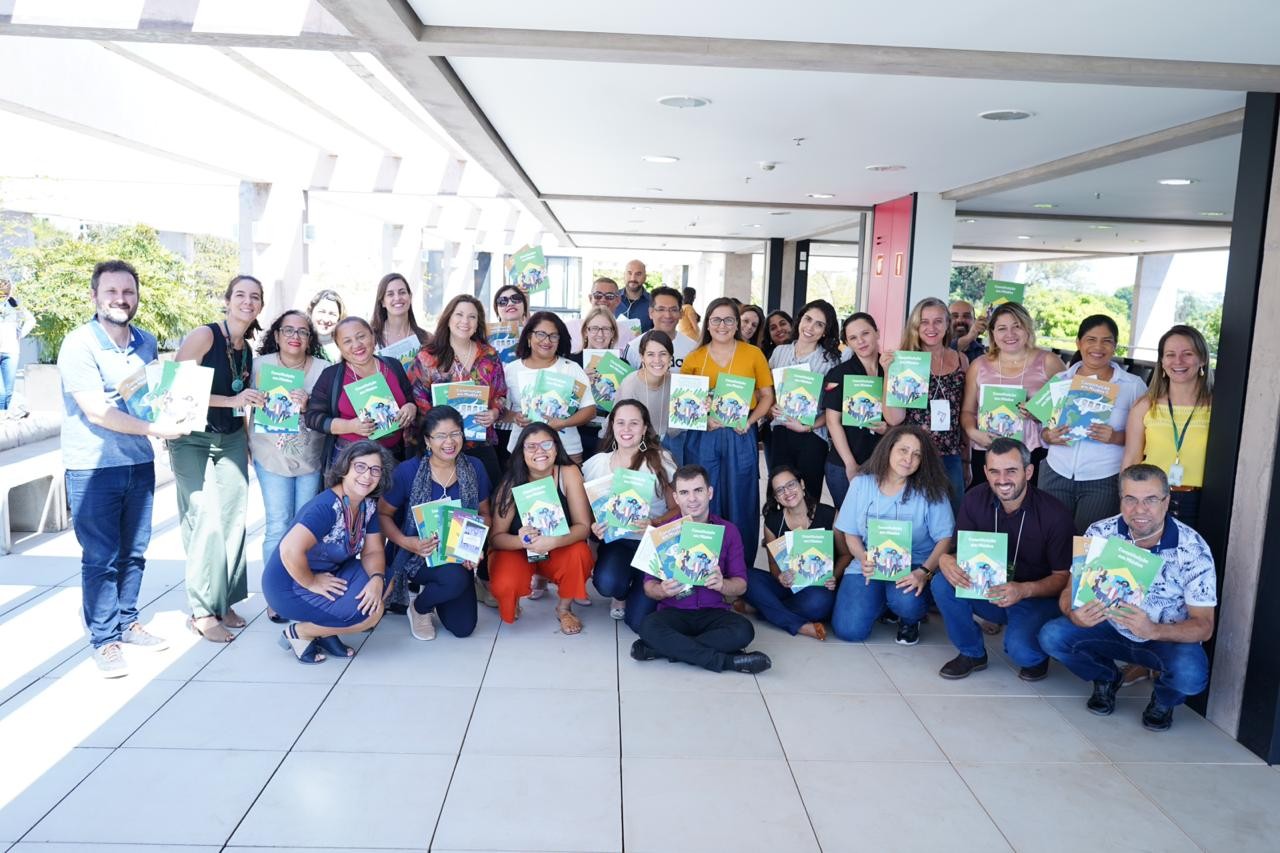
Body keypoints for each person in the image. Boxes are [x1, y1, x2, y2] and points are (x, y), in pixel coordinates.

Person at [58, 260, 188, 675]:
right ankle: (104, 639)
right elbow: (97, 412)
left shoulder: (145, 342)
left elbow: (149, 395)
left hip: (138, 462)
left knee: (134, 552)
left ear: (137, 296)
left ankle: (127, 621)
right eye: (111, 292)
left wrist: (177, 411)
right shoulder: (78, 344)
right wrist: (156, 427)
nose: (120, 299)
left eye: (127, 292)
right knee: (100, 555)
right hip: (92, 468)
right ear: (95, 297)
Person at [1038, 464, 1216, 731]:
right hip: (1108, 628)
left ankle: (1164, 699)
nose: (1139, 509)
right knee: (1052, 636)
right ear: (1120, 499)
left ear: (1167, 502)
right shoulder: (1099, 533)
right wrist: (1073, 613)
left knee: (1190, 675)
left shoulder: (1192, 549)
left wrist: (1153, 630)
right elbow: (1069, 591)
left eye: (1151, 500)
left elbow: (1204, 626)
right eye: (1130, 499)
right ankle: (1107, 677)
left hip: (1162, 638)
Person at [171, 274, 265, 644]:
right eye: (240, 294)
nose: (247, 301)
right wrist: (231, 402)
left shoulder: (245, 348)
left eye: (254, 296)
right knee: (205, 519)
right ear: (227, 300)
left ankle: (223, 600)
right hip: (192, 439)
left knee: (231, 522)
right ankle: (202, 611)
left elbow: (241, 398)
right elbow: (173, 386)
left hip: (230, 438)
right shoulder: (205, 335)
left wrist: (245, 440)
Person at [931, 438, 1074, 680]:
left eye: (1011, 471)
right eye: (994, 471)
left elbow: (1063, 577)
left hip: (1035, 598)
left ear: (1028, 471)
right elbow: (960, 552)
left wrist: (1024, 590)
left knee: (1023, 653)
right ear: (985, 472)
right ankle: (972, 652)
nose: (1002, 480)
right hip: (989, 590)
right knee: (941, 583)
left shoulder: (1055, 514)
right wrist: (946, 559)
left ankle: (1034, 651)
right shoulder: (975, 498)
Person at [631, 465, 772, 674]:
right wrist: (662, 590)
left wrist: (723, 584)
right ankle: (728, 662)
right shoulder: (662, 534)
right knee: (648, 627)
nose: (692, 499)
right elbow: (648, 587)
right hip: (674, 611)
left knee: (744, 631)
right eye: (684, 493)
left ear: (710, 492)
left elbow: (741, 585)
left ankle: (666, 650)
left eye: (698, 490)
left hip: (713, 612)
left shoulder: (729, 531)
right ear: (676, 498)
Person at [263, 440, 391, 664]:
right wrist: (312, 582)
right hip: (289, 584)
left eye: (375, 470)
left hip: (329, 572)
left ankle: (323, 632)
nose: (367, 476)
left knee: (384, 582)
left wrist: (377, 579)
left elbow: (373, 552)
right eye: (360, 467)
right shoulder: (326, 507)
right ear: (345, 469)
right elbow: (289, 550)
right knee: (369, 615)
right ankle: (301, 633)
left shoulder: (367, 504)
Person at [832, 425, 955, 645]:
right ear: (888, 449)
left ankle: (909, 617)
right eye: (903, 450)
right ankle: (883, 604)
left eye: (917, 455)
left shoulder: (931, 490)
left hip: (915, 564)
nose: (909, 459)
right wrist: (863, 558)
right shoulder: (861, 484)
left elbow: (945, 539)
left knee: (906, 603)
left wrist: (923, 572)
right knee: (848, 630)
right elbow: (850, 533)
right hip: (869, 562)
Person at [378, 406, 490, 641]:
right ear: (427, 440)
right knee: (455, 579)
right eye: (440, 436)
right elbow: (383, 515)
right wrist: (407, 542)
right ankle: (419, 608)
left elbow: (485, 514)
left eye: (455, 434)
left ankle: (433, 595)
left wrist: (475, 546)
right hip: (416, 556)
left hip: (456, 556)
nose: (449, 442)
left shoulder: (475, 468)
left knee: (463, 628)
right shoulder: (407, 471)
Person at [681, 297, 775, 562]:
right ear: (707, 324)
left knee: (741, 500)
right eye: (716, 320)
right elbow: (684, 402)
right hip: (703, 436)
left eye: (729, 319)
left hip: (740, 434)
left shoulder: (753, 354)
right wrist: (702, 419)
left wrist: (750, 420)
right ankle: (700, 566)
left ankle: (739, 570)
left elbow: (767, 396)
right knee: (701, 500)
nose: (722, 325)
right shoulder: (694, 357)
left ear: (737, 324)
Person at [249, 310, 327, 624]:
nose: (295, 336)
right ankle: (276, 594)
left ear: (310, 339)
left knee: (305, 527)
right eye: (288, 330)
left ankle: (301, 585)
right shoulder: (258, 366)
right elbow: (244, 406)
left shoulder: (324, 369)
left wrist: (310, 404)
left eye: (303, 332)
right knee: (278, 524)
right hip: (270, 455)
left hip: (310, 455)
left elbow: (332, 409)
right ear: (277, 335)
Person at [1038, 314, 1148, 534]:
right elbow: (1043, 430)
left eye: (1107, 341)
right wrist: (1048, 436)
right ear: (1079, 343)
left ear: (1115, 347)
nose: (1098, 347)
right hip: (1056, 473)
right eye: (1091, 339)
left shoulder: (1132, 385)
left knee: (1089, 548)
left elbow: (1146, 438)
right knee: (1051, 541)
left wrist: (1116, 437)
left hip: (1103, 480)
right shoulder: (1060, 380)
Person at [487, 424, 594, 633]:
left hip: (557, 548)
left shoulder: (569, 472)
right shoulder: (511, 482)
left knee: (580, 553)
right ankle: (515, 599)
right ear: (521, 451)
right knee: (505, 583)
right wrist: (521, 541)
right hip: (519, 550)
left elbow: (584, 527)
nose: (540, 451)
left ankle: (564, 609)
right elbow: (496, 538)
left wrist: (554, 541)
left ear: (556, 447)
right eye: (531, 446)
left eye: (546, 444)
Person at [583, 399, 678, 630]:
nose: (626, 429)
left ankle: (642, 584)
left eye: (634, 423)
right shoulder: (597, 464)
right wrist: (593, 527)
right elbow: (588, 511)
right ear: (612, 426)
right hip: (617, 541)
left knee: (638, 622)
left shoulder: (660, 461)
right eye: (621, 423)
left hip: (652, 543)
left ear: (645, 428)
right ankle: (622, 591)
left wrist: (653, 523)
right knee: (607, 584)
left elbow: (677, 509)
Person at [408, 295, 508, 488]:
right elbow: (419, 402)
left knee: (489, 500)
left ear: (478, 322)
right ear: (448, 318)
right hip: (441, 448)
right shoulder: (427, 356)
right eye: (459, 314)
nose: (465, 321)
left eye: (472, 317)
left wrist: (494, 412)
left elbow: (500, 395)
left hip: (479, 444)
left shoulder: (489, 355)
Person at [960, 302, 1066, 485]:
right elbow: (967, 411)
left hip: (1033, 452)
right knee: (986, 507)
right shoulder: (978, 365)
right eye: (1002, 328)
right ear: (992, 333)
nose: (1010, 334)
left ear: (1027, 329)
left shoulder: (1049, 362)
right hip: (987, 450)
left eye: (1017, 326)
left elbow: (1067, 413)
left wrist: (1039, 414)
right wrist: (973, 432)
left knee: (1030, 507)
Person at [882, 297, 971, 508]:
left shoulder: (961, 360)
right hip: (913, 456)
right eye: (924, 322)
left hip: (950, 455)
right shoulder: (904, 361)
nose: (931, 327)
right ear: (915, 326)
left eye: (938, 321)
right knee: (913, 519)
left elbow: (964, 413)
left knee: (951, 520)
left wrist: (966, 460)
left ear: (947, 323)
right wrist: (889, 373)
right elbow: (894, 418)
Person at [744, 465, 850, 641]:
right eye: (780, 490)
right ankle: (797, 624)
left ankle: (760, 608)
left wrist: (834, 576)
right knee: (746, 575)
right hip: (788, 586)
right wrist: (780, 576)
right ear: (776, 498)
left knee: (820, 604)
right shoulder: (773, 522)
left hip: (817, 588)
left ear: (802, 485)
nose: (787, 492)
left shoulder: (830, 514)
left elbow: (846, 555)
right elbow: (773, 565)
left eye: (791, 485)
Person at [1122, 325, 1212, 530]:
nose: (1178, 361)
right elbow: (1131, 459)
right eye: (1170, 354)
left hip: (1205, 504)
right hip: (1150, 502)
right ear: (1162, 362)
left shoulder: (1218, 408)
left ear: (1203, 359)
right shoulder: (1145, 405)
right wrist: (1128, 503)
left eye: (1187, 354)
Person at [304, 316, 417, 466]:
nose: (356, 345)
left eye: (361, 336)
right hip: (351, 458)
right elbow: (313, 417)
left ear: (372, 335)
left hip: (394, 455)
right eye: (347, 341)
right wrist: (350, 426)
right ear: (339, 347)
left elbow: (410, 399)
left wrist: (411, 407)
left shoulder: (393, 366)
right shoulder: (331, 376)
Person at [501, 311, 597, 464]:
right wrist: (514, 417)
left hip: (566, 450)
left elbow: (590, 411)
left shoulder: (571, 368)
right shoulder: (511, 370)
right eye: (541, 334)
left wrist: (564, 423)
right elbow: (500, 411)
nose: (547, 341)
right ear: (528, 337)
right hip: (523, 451)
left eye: (553, 336)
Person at [768, 299, 841, 498]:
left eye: (819, 324)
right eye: (808, 319)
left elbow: (835, 409)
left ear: (825, 331)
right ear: (799, 320)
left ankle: (808, 531)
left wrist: (808, 427)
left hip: (812, 437)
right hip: (781, 432)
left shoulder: (831, 361)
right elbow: (766, 392)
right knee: (779, 493)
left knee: (808, 496)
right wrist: (770, 407)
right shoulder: (779, 352)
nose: (810, 327)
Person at [822, 312, 887, 507]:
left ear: (877, 332)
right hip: (844, 465)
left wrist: (889, 430)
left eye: (865, 333)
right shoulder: (839, 373)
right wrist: (850, 464)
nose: (860, 341)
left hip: (885, 464)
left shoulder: (891, 369)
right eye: (853, 338)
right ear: (848, 343)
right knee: (847, 526)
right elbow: (832, 421)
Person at [618, 330, 685, 460]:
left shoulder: (679, 384)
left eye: (663, 354)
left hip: (671, 445)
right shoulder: (630, 384)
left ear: (671, 357)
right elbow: (625, 430)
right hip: (636, 445)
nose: (657, 360)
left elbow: (680, 428)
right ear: (642, 357)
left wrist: (702, 410)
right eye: (650, 354)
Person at [570, 306, 620, 460]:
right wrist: (580, 381)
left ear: (613, 333)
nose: (600, 334)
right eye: (594, 328)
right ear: (585, 331)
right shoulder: (571, 363)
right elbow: (563, 405)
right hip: (576, 434)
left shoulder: (621, 364)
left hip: (609, 437)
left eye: (606, 329)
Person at [490, 283, 528, 469]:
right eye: (502, 301)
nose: (509, 303)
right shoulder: (484, 340)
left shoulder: (536, 337)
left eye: (516, 299)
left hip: (526, 423)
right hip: (496, 425)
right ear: (497, 310)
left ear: (524, 305)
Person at [619, 286, 698, 370]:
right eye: (661, 309)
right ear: (651, 312)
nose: (668, 315)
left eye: (673, 310)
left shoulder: (693, 348)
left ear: (681, 313)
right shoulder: (634, 347)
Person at [0, 277, 35, 415]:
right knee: (1, 392)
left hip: (11, 351)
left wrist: (21, 334)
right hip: (9, 350)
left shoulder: (14, 304)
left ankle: (4, 423)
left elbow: (31, 320)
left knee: (8, 391)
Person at [371, 272, 431, 350]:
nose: (397, 298)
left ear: (410, 297)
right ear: (382, 302)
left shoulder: (427, 339)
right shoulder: (371, 338)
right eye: (390, 294)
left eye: (402, 292)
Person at [307, 289, 345, 362]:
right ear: (311, 311)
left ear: (339, 318)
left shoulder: (344, 349)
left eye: (332, 314)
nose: (326, 319)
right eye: (321, 312)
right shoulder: (298, 342)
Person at [616, 258, 653, 333]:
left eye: (638, 274)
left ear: (645, 277)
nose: (633, 278)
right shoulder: (611, 299)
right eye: (629, 273)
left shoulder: (653, 302)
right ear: (624, 275)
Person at [949, 300, 987, 364]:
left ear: (974, 320)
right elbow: (945, 350)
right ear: (946, 321)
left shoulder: (983, 353)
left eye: (966, 316)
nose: (960, 320)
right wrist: (971, 336)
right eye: (955, 316)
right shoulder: (935, 345)